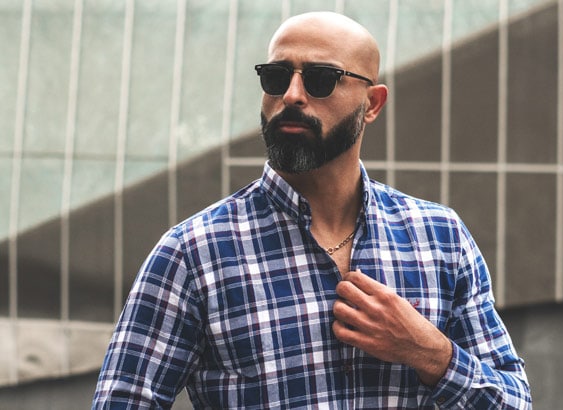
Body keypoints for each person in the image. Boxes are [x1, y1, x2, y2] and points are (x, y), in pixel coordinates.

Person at [93, 11, 531, 409]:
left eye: (321, 79)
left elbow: (514, 402)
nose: (292, 94)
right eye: (276, 76)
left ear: (372, 103)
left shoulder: (439, 237)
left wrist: (428, 353)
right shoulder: (193, 253)